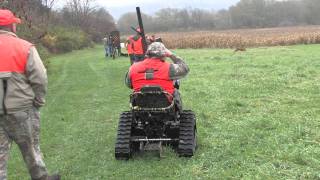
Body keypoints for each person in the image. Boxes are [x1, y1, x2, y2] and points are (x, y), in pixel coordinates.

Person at [0, 9, 60, 180]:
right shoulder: (24, 47)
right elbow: (40, 77)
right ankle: (41, 178)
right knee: (31, 148)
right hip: (22, 111)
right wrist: (39, 100)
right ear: (12, 26)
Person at [125, 42, 189, 111]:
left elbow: (129, 84)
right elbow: (185, 68)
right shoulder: (169, 68)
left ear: (147, 54)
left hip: (140, 106)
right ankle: (178, 114)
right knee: (175, 91)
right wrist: (171, 55)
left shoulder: (133, 68)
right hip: (166, 107)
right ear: (164, 55)